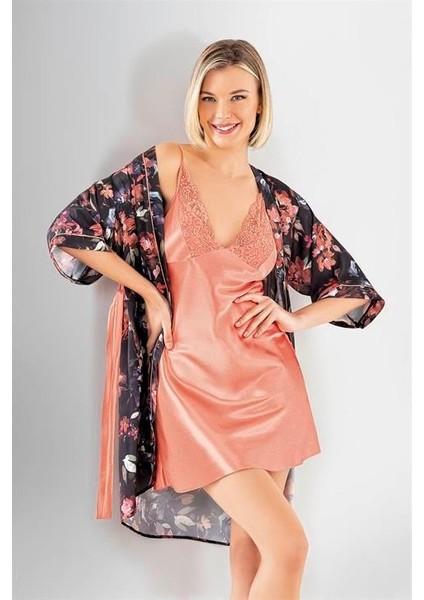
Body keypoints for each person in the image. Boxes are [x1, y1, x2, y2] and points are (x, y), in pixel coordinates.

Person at [46, 39, 385, 600]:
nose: (221, 113)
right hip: (192, 385)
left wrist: (293, 320)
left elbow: (354, 289)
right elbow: (71, 229)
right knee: (290, 547)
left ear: (260, 103)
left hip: (270, 385)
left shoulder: (277, 201)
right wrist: (149, 295)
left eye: (236, 97)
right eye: (208, 98)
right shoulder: (168, 164)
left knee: (253, 553)